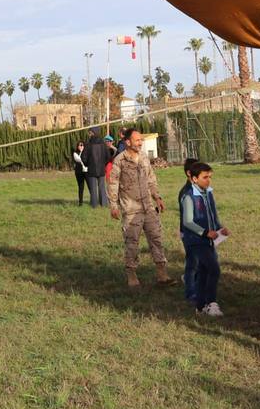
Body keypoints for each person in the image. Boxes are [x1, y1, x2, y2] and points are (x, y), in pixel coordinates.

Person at [107, 130, 170, 287]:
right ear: (128, 142)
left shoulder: (143, 157)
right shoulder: (120, 161)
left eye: (141, 140)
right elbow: (113, 184)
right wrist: (113, 205)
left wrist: (157, 198)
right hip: (131, 209)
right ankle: (132, 275)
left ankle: (162, 274)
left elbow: (151, 179)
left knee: (156, 239)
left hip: (148, 207)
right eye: (137, 140)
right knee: (132, 243)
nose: (140, 143)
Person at [178, 159, 228, 316]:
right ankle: (211, 302)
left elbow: (213, 214)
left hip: (208, 240)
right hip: (196, 241)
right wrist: (205, 232)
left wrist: (219, 228)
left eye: (210, 177)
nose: (208, 180)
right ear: (194, 178)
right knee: (214, 269)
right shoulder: (188, 196)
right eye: (205, 177)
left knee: (205, 271)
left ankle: (200, 306)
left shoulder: (208, 193)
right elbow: (187, 221)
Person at [81, 130, 110, 208]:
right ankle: (104, 204)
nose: (89, 134)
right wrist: (103, 164)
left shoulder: (88, 145)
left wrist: (88, 165)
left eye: (90, 133)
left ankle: (94, 205)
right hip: (101, 169)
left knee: (93, 188)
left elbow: (83, 158)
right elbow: (108, 157)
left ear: (93, 133)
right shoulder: (103, 144)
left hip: (91, 169)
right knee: (102, 187)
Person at [71, 142, 88, 207]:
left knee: (90, 186)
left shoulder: (86, 152)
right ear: (77, 146)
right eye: (80, 145)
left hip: (86, 171)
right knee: (81, 187)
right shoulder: (75, 153)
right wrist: (81, 152)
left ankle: (93, 201)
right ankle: (80, 202)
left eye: (82, 145)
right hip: (79, 172)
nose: (81, 146)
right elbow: (79, 159)